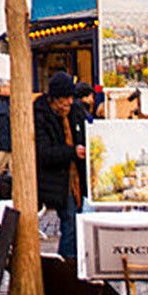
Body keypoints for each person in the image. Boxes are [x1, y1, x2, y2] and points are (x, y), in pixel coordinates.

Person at [33, 70, 87, 260]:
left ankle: (75, 261)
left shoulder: (75, 111)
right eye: (65, 98)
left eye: (71, 98)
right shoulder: (40, 114)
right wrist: (72, 152)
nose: (69, 102)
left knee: (78, 220)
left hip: (77, 177)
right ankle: (68, 264)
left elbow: (86, 132)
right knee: (70, 221)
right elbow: (43, 152)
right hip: (56, 179)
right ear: (54, 98)